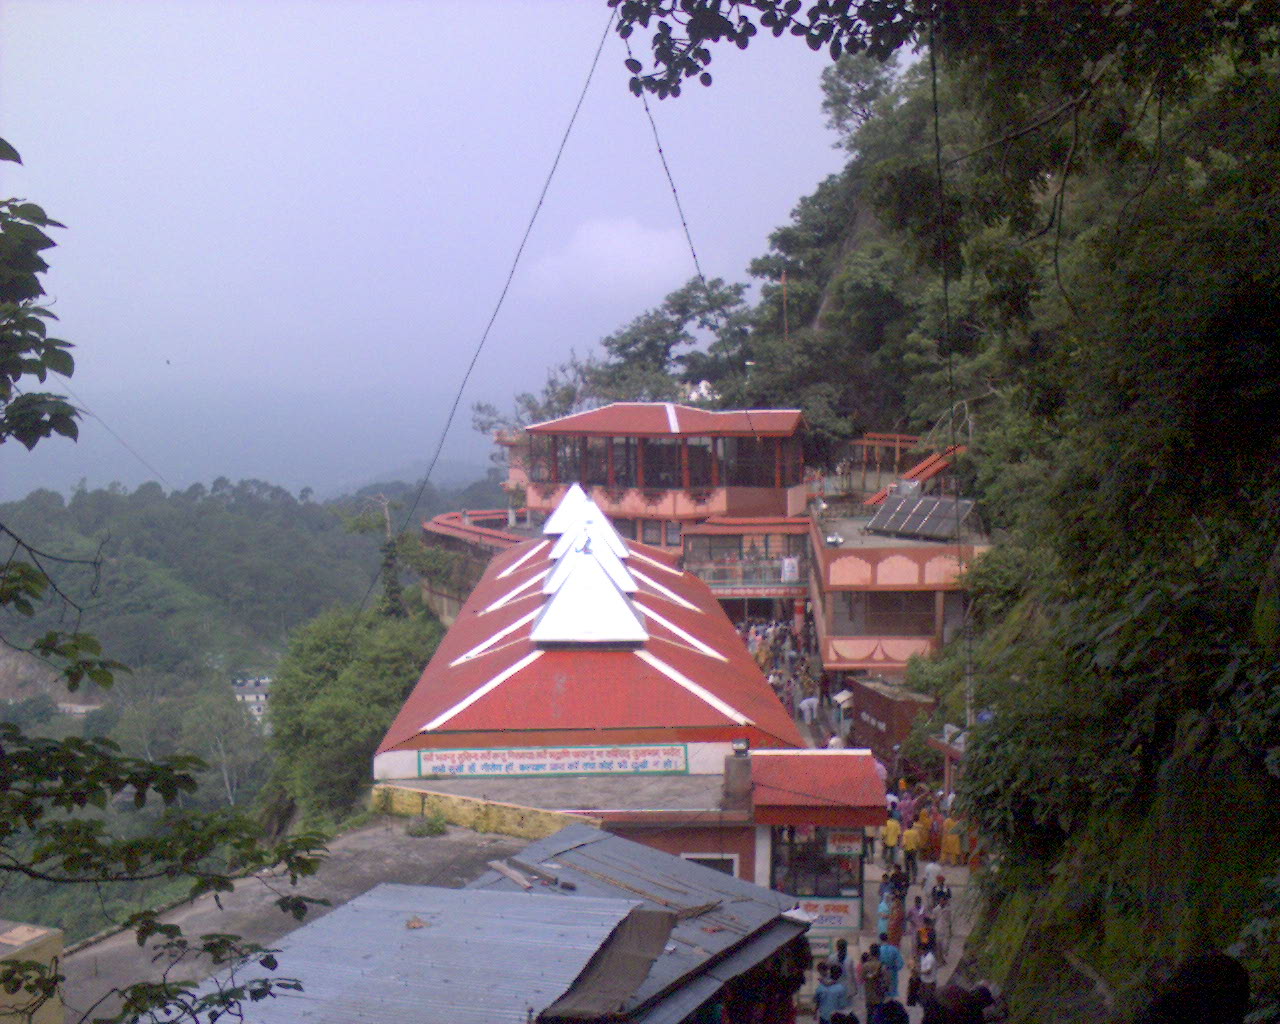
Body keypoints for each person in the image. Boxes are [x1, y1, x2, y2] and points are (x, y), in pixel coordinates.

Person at [827, 938, 858, 1004]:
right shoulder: (849, 959)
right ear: (846, 947)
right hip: (846, 988)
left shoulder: (831, 958)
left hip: (834, 987)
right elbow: (853, 975)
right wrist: (855, 988)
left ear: (837, 947)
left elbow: (828, 972)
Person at [862, 946, 888, 1021]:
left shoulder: (865, 965)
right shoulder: (882, 966)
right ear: (879, 954)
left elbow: (863, 978)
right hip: (879, 996)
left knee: (869, 1016)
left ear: (870, 953)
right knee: (879, 1018)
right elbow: (887, 982)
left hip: (869, 996)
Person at [878, 932, 905, 998]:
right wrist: (895, 968)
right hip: (892, 973)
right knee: (892, 992)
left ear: (880, 939)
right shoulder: (894, 949)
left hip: (882, 973)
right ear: (887, 939)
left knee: (883, 991)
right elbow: (901, 963)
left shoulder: (878, 950)